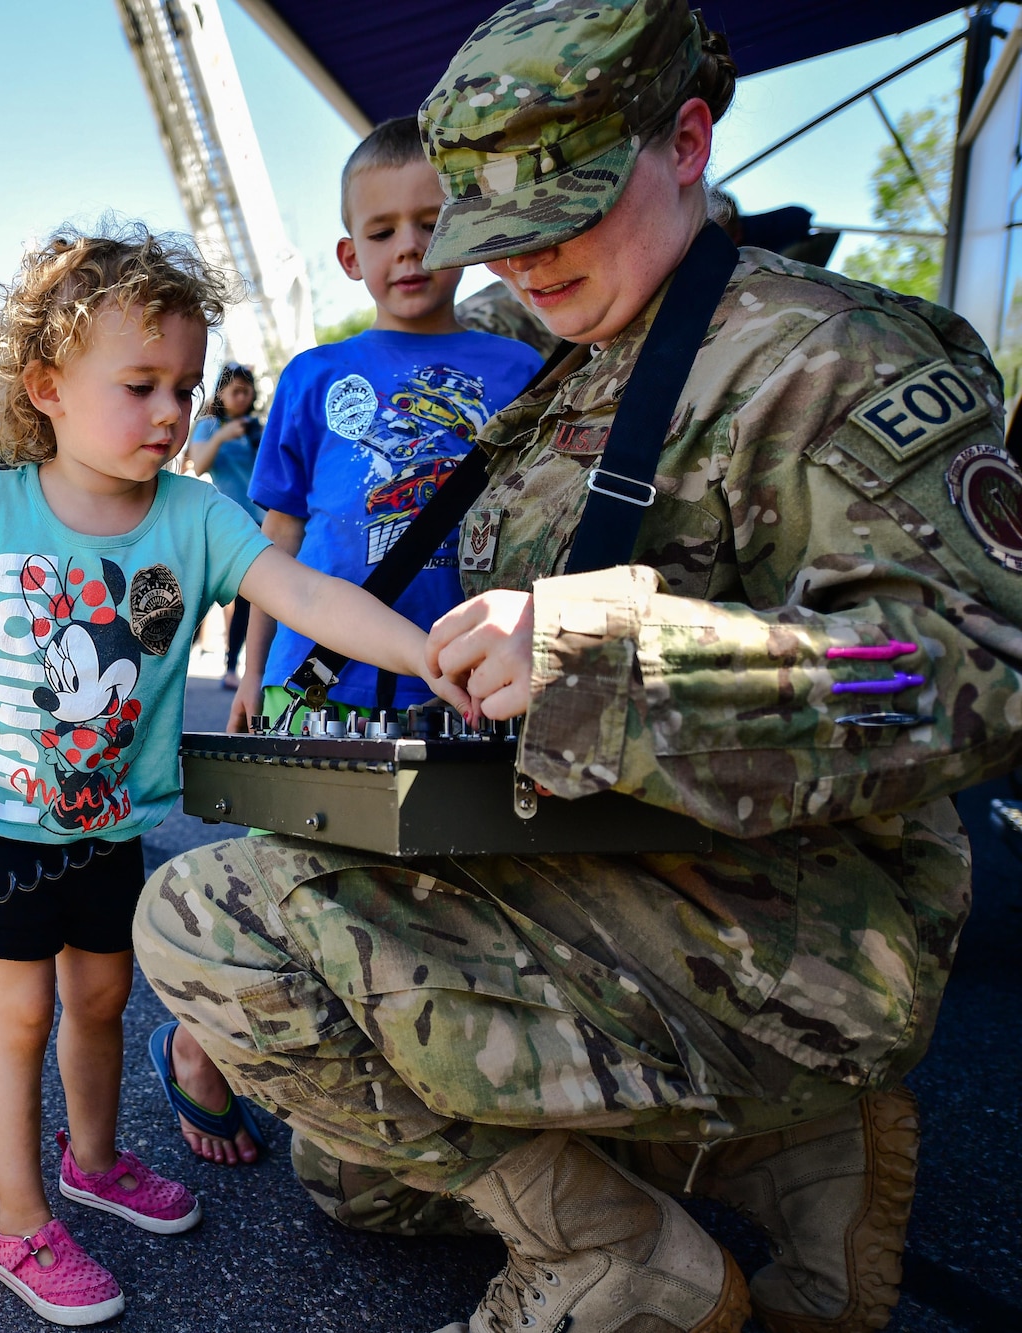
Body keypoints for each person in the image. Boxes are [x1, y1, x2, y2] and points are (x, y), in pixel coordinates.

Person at [132, 4, 1022, 1332]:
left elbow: (972, 676)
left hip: (787, 923)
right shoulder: (579, 365)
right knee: (352, 1175)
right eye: (495, 229)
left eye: (566, 210)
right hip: (600, 861)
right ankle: (790, 1157)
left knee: (210, 923)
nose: (529, 264)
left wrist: (615, 655)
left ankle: (621, 1258)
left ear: (688, 140)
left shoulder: (831, 360)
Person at [0, 223, 465, 1327]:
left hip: (108, 824)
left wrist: (424, 650)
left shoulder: (193, 516)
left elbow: (305, 595)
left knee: (100, 999)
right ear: (45, 386)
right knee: (18, 1017)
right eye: (137, 384)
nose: (168, 412)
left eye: (183, 387)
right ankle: (18, 1218)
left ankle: (92, 1159)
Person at [168, 114, 543, 1171]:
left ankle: (386, 1077)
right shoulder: (310, 374)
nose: (408, 248)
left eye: (431, 222)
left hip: (460, 683)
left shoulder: (520, 369)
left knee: (431, 893)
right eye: (381, 230)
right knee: (290, 884)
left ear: (467, 230)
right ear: (350, 254)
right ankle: (200, 1048)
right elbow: (273, 538)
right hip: (315, 680)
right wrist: (245, 675)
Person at [184, 362, 263, 688]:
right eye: (235, 390)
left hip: (255, 521)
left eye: (247, 390)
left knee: (247, 601)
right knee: (197, 590)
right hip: (221, 522)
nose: (242, 397)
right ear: (221, 393)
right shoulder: (209, 424)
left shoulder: (257, 428)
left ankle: (233, 668)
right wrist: (223, 436)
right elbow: (199, 464)